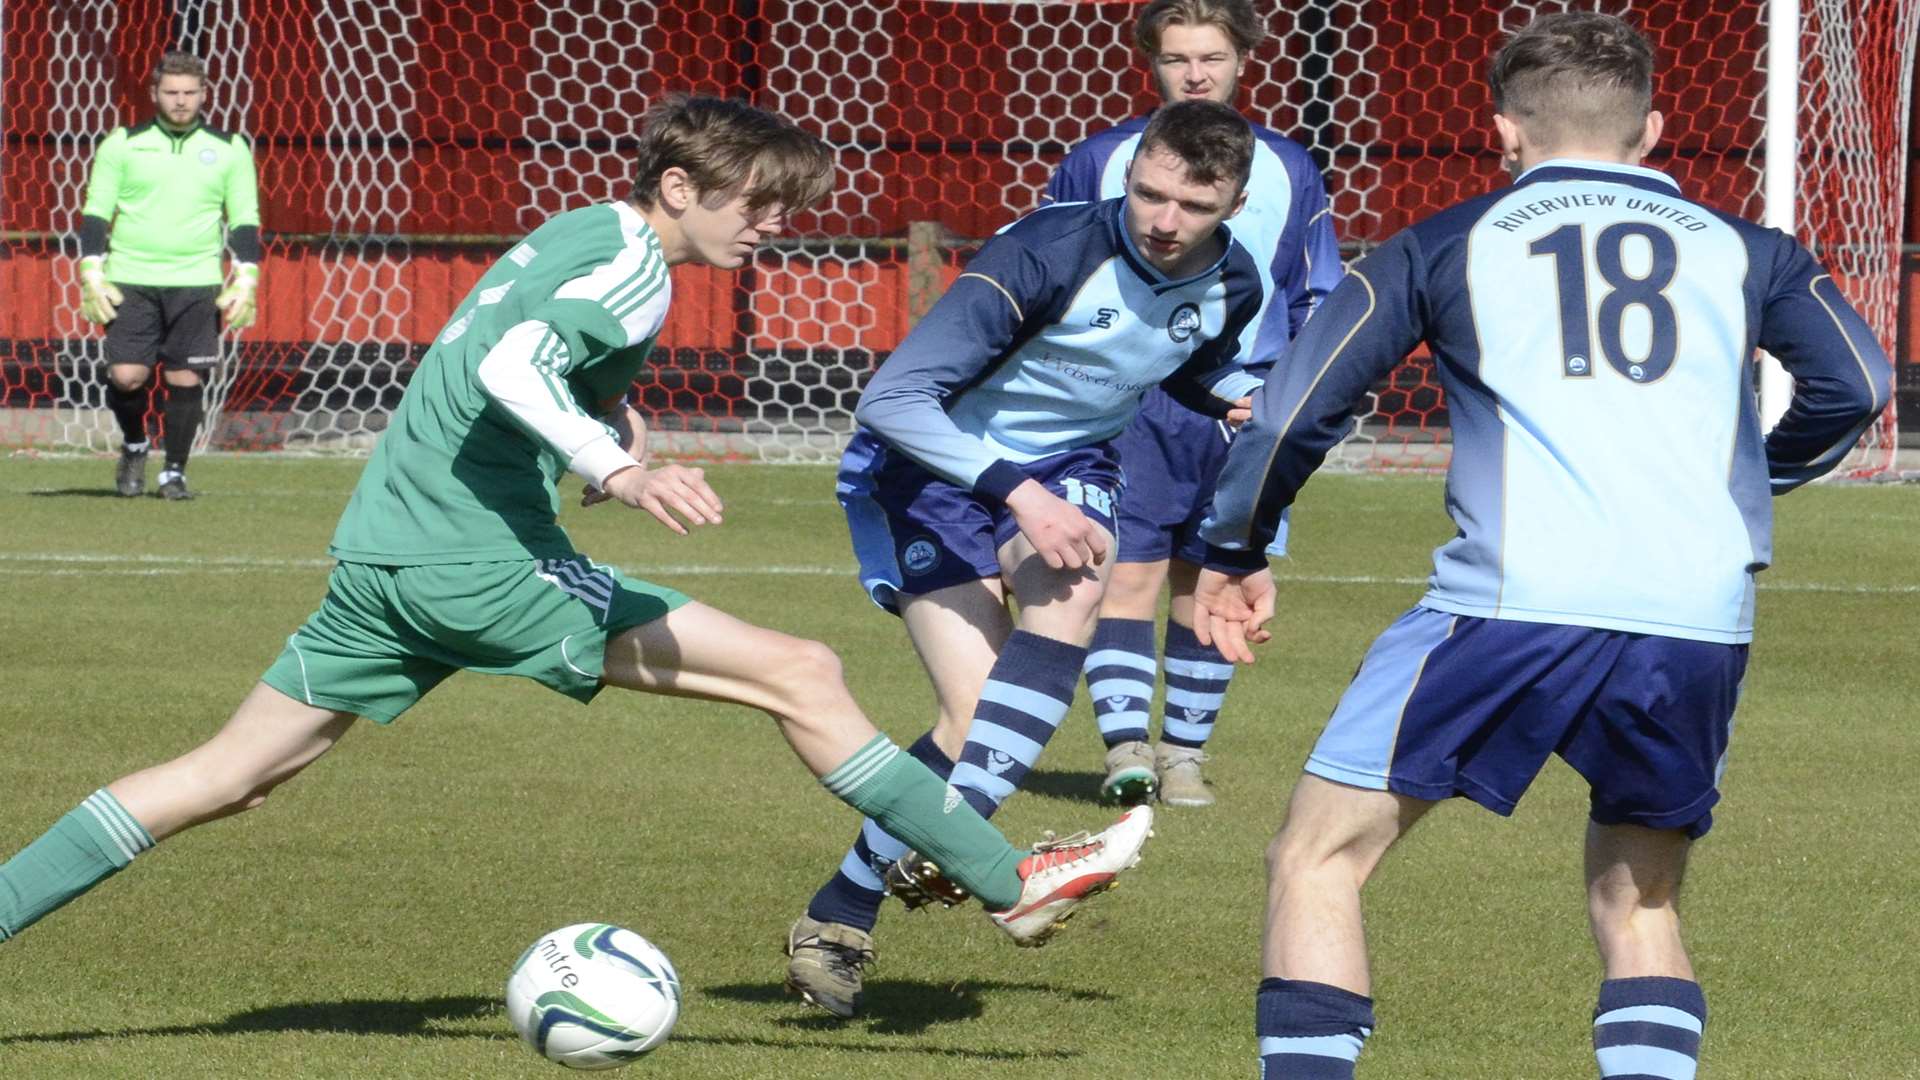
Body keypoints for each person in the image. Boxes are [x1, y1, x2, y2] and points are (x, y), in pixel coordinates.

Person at [0, 96, 1152, 965]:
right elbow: (511, 363)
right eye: (751, 201)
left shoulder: (580, 234)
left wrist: (602, 428)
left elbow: (518, 360)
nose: (770, 224)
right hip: (478, 563)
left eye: (783, 207)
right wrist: (619, 466)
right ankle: (1011, 880)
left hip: (388, 552)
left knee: (227, 776)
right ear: (672, 186)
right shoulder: (634, 270)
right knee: (802, 670)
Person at [1191, 13, 1893, 1078]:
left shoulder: (1442, 242)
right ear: (1651, 129)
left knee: (1318, 859)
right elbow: (1861, 387)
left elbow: (1295, 414)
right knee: (1638, 895)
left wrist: (1236, 546)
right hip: (1695, 613)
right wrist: (1757, 471)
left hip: (1509, 604)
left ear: (1502, 132)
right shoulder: (1753, 251)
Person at [785, 98, 1263, 1018]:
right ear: (1129, 174)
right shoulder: (1042, 253)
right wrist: (1019, 491)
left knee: (1075, 589)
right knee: (972, 723)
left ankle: (896, 884)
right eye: (1149, 195)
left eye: (1192, 208)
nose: (1164, 223)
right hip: (928, 467)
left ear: (1233, 202)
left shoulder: (1232, 281)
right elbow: (893, 400)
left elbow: (1186, 359)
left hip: (1070, 463)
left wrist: (1235, 398)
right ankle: (868, 901)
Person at [1045, 0, 1340, 808]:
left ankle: (1184, 754)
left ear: (1244, 59)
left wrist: (1292, 399)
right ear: (1151, 62)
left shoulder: (1288, 167)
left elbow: (1318, 292)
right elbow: (1047, 271)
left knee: (1213, 577)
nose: (1196, 73)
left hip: (1241, 407)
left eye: (1211, 56)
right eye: (1177, 58)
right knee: (1126, 575)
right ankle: (1126, 749)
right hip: (1126, 401)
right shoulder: (1099, 160)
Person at [79, 50, 262, 501]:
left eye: (189, 92)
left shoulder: (228, 148)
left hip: (196, 281)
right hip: (131, 278)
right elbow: (96, 212)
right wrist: (91, 271)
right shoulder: (122, 143)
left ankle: (174, 473)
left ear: (204, 94)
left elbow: (243, 219)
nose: (180, 101)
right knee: (126, 376)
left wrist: (247, 277)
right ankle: (135, 446)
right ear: (155, 93)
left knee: (185, 378)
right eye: (171, 92)